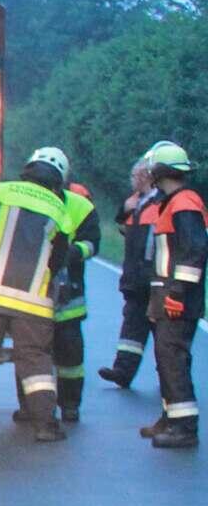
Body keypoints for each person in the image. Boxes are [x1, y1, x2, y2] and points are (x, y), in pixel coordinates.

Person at [0, 152, 75, 442]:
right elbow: (59, 259)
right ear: (59, 180)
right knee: (35, 363)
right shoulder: (61, 211)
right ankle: (45, 425)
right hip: (31, 302)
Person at [28, 150, 99, 423]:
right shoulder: (25, 198)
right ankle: (32, 408)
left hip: (67, 296)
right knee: (33, 356)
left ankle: (70, 405)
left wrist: (71, 253)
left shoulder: (80, 206)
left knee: (70, 357)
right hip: (31, 293)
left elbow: (92, 242)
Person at [140, 142, 203, 449]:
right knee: (166, 359)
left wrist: (177, 293)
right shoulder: (174, 202)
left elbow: (193, 252)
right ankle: (170, 418)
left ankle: (184, 428)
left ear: (158, 172)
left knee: (173, 359)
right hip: (166, 295)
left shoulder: (185, 203)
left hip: (177, 298)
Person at [98, 153, 162, 390]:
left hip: (154, 279)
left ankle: (169, 375)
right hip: (136, 279)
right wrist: (125, 206)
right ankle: (122, 371)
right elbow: (120, 217)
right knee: (132, 328)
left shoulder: (162, 202)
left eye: (134, 176)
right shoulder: (139, 200)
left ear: (146, 176)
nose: (131, 180)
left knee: (162, 333)